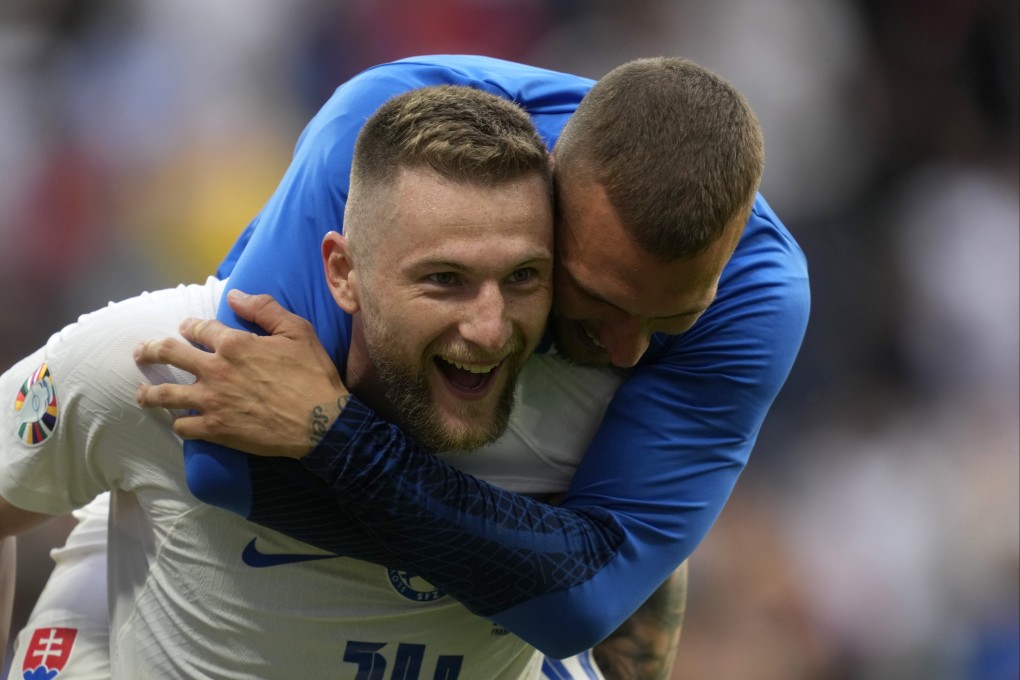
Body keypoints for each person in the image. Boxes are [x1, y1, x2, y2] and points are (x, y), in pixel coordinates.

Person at [136, 54, 809, 660]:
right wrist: (531, 546)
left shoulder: (763, 293)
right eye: (594, 299)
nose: (628, 351)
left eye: (674, 320)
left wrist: (334, 438)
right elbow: (228, 461)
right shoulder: (379, 142)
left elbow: (585, 603)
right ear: (544, 196)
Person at [0, 84, 592, 679]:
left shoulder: (590, 404)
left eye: (522, 276)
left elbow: (632, 566)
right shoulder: (172, 364)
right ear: (343, 273)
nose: (490, 331)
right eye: (444, 279)